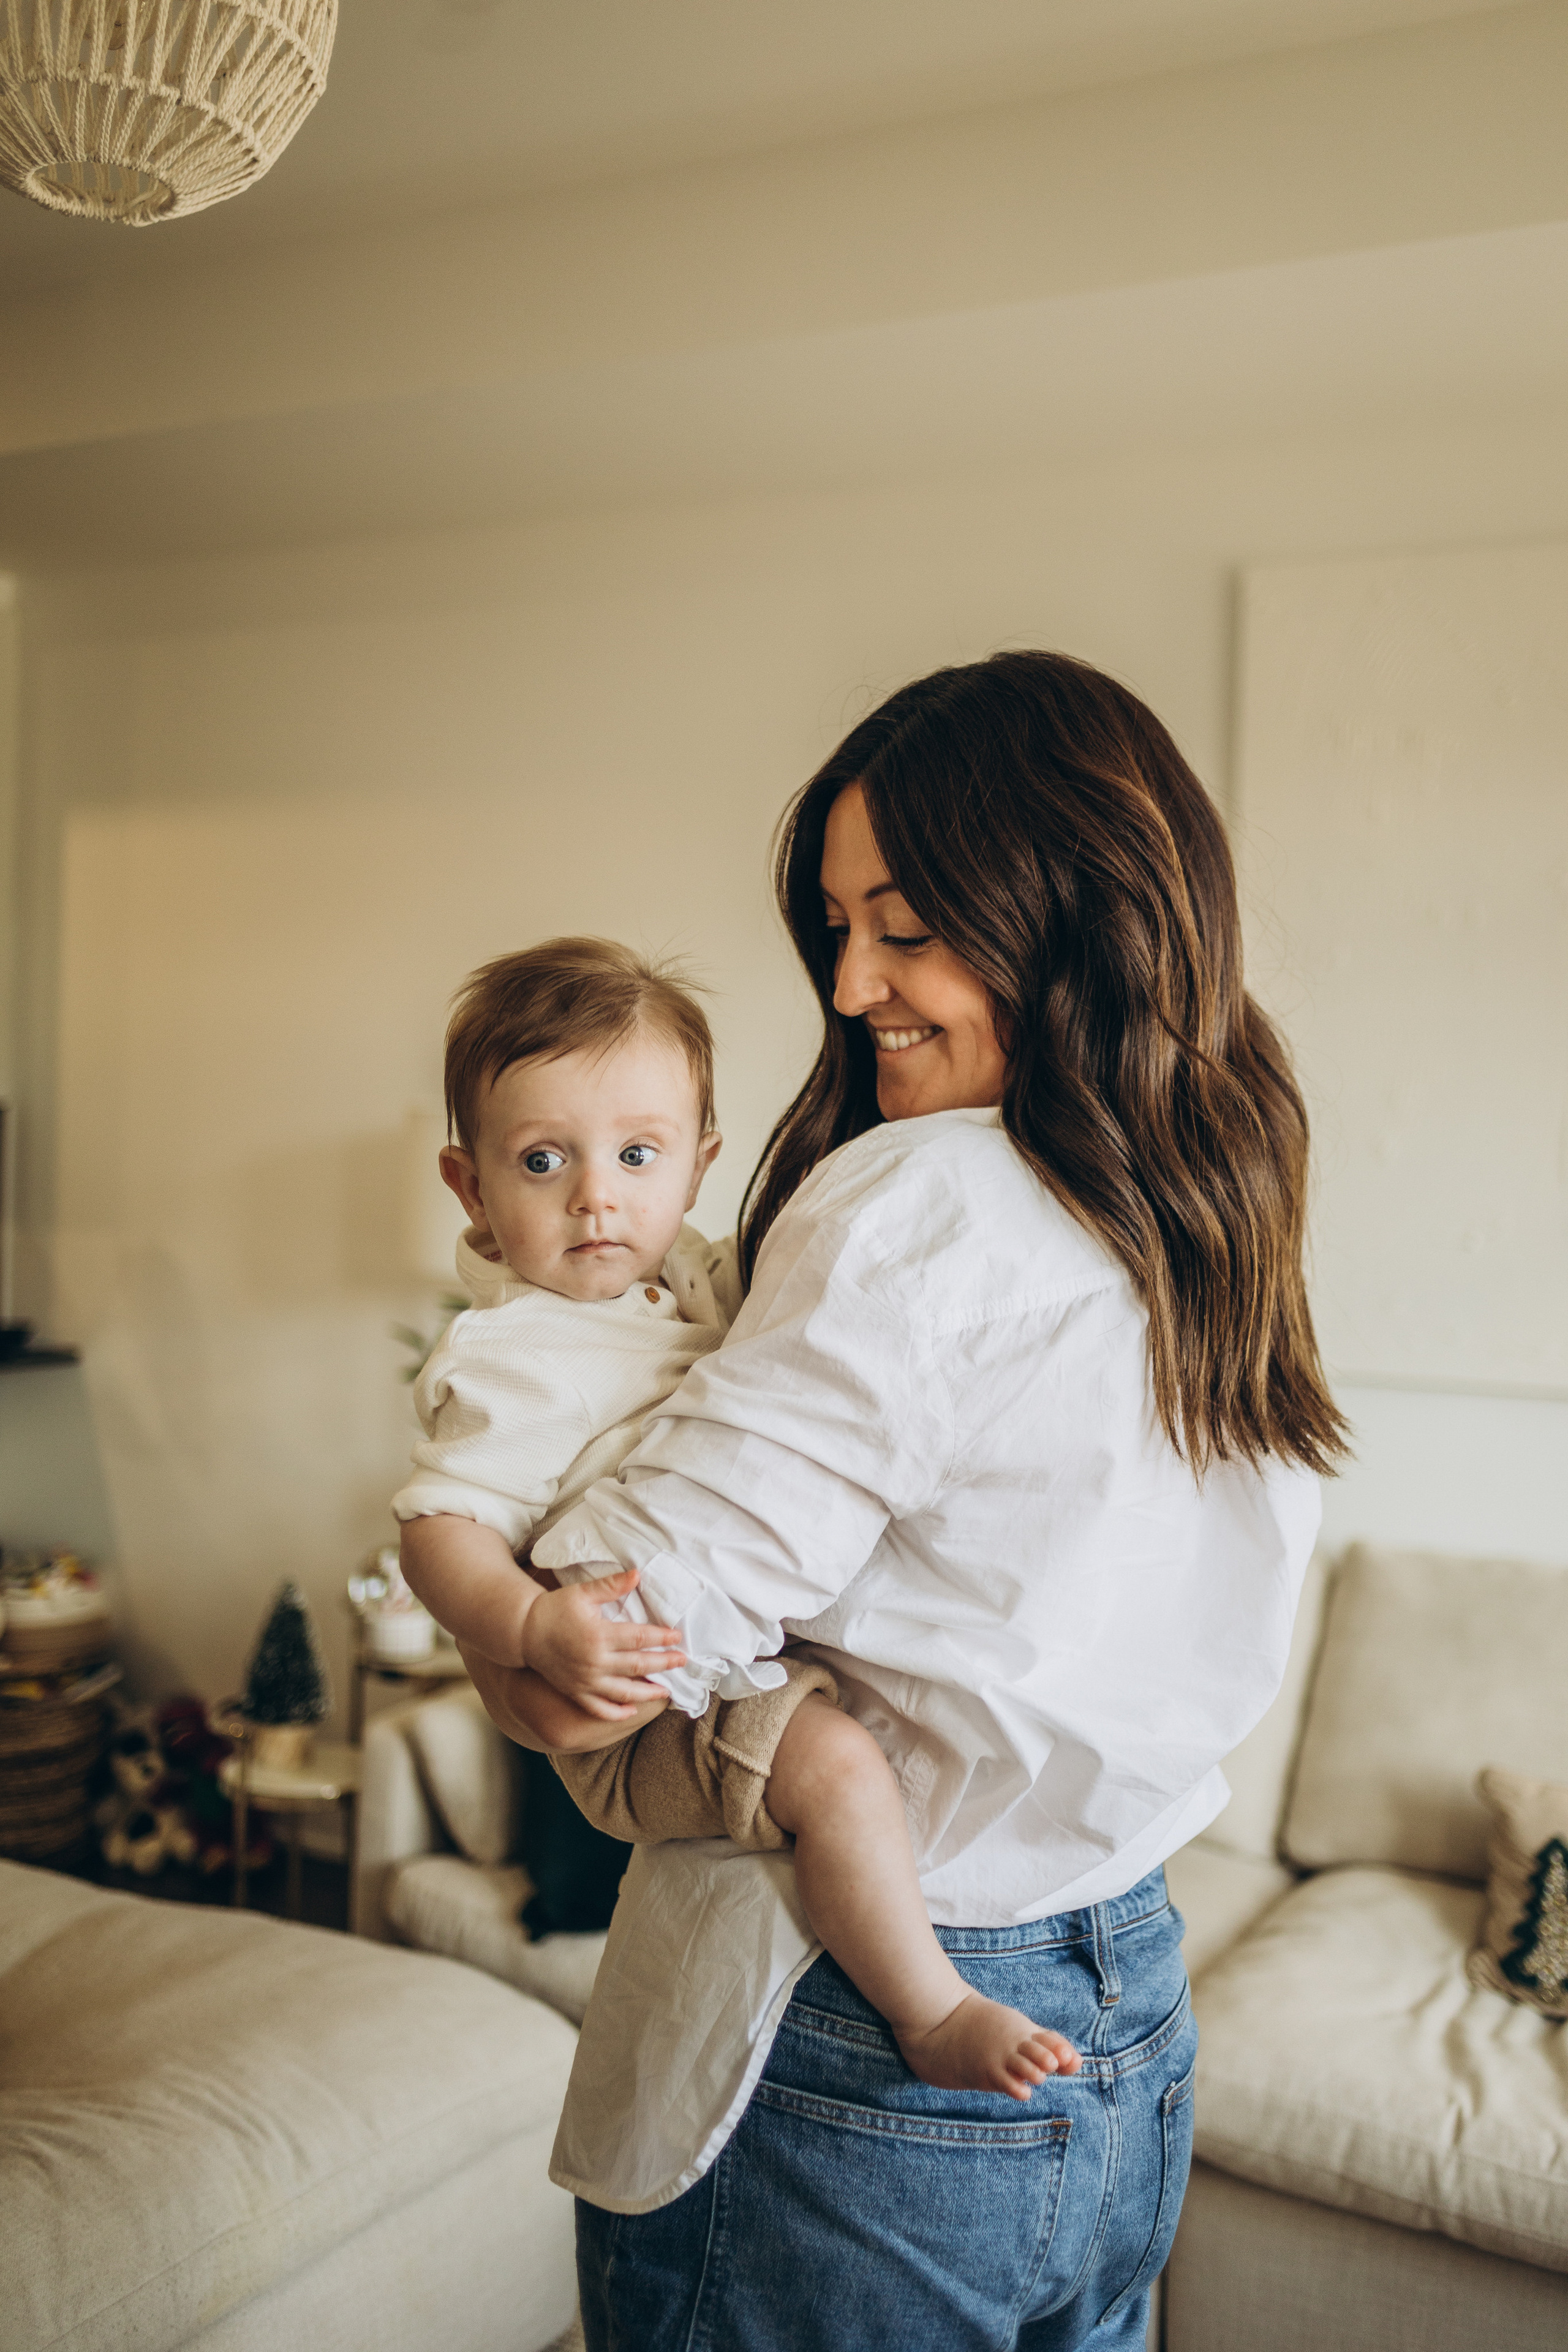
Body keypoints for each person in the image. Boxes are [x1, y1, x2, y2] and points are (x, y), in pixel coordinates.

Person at [465, 652, 1346, 2351]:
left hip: (862, 2024)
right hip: (1128, 2011)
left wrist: (502, 1603)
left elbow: (615, 1633)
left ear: (1066, 908)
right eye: (839, 925)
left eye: (909, 923)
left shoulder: (921, 1201)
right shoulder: (1215, 1185)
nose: (856, 979)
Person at [396, 937, 1081, 2097]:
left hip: (703, 1666)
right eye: (544, 1160)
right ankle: (930, 2009)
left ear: (700, 1163)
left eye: (637, 1154)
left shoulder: (703, 1281)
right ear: (471, 1187)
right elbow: (436, 1532)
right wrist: (527, 1628)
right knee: (845, 1773)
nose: (596, 1196)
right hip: (637, 1711)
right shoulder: (512, 1356)